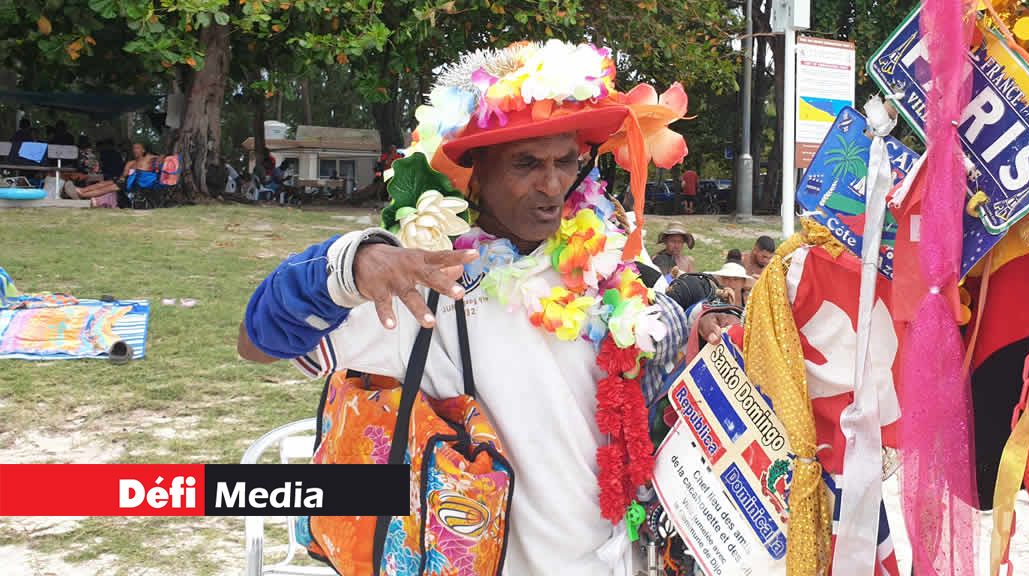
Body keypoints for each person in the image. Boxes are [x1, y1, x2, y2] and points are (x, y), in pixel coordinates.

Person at [237, 40, 730, 575]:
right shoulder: (423, 283)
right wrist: (344, 269)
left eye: (566, 161)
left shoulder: (609, 268)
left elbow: (663, 350)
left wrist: (702, 323)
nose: (552, 184)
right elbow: (257, 343)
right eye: (526, 163)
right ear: (476, 172)